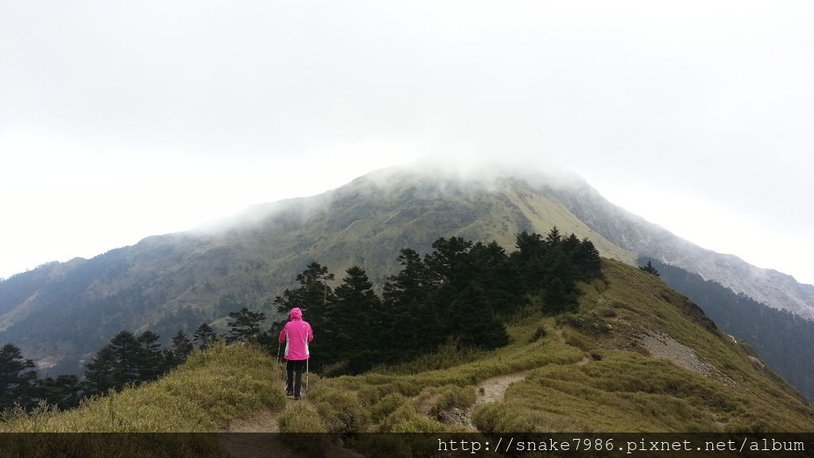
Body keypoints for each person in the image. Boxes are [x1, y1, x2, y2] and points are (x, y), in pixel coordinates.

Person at [278, 307, 313, 400]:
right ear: (300, 315)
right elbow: (310, 338)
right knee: (299, 371)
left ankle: (289, 389)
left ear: (291, 315)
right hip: (302, 353)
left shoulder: (288, 325)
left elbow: (282, 338)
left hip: (290, 352)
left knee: (289, 369)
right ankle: (297, 394)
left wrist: (280, 340)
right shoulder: (306, 325)